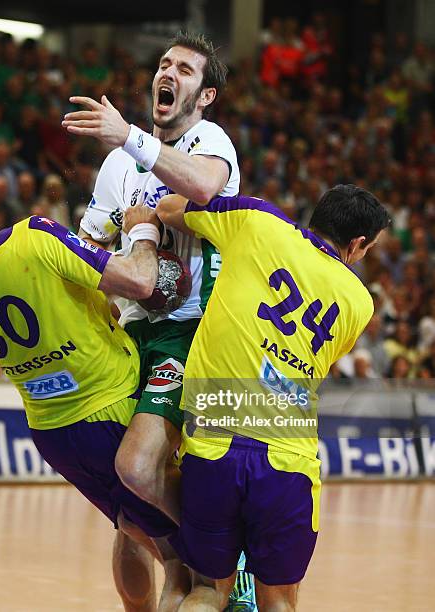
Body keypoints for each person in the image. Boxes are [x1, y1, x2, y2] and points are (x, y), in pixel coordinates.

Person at [0, 190, 185, 611]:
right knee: (182, 564)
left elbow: (51, 304)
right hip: (112, 406)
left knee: (129, 527)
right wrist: (142, 233)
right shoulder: (33, 236)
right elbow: (140, 280)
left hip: (54, 432)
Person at [65, 30, 254, 610]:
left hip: (191, 329)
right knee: (127, 515)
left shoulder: (208, 139)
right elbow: (92, 245)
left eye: (185, 70)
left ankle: (228, 556)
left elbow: (202, 185)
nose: (167, 73)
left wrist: (129, 137)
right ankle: (185, 569)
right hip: (129, 334)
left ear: (205, 95)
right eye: (164, 64)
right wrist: (90, 248)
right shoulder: (117, 165)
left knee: (139, 466)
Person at [155, 184, 390, 610]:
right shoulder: (360, 301)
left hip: (214, 430)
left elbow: (170, 208)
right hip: (288, 449)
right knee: (279, 599)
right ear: (357, 245)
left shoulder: (257, 221)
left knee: (207, 589)